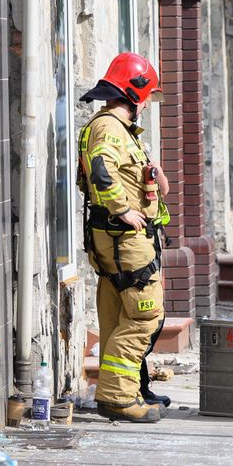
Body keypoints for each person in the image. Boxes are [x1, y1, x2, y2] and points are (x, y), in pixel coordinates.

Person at [77, 52, 169, 424]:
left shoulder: (116, 130)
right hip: (125, 240)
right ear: (135, 94)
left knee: (118, 318)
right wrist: (122, 209)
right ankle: (117, 396)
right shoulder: (110, 129)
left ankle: (121, 392)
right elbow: (101, 171)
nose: (146, 104)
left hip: (119, 240)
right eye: (147, 97)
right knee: (145, 317)